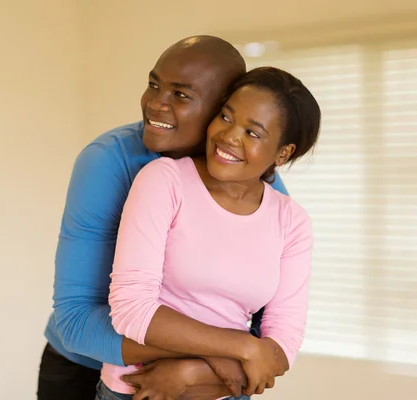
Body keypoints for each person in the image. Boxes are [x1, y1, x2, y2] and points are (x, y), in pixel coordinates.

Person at [38, 36, 290, 400]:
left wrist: (196, 370)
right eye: (154, 84)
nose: (156, 103)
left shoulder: (265, 190)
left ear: (224, 109)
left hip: (201, 379)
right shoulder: (108, 162)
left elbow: (268, 330)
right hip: (85, 366)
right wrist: (220, 351)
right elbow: (76, 323)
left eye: (181, 94)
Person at [97, 66, 321, 400]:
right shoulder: (164, 181)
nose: (230, 136)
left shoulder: (292, 221)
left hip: (228, 393)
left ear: (283, 152)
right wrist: (242, 347)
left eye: (253, 132)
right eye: (226, 117)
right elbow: (131, 310)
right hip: (137, 393)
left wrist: (191, 372)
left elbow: (283, 342)